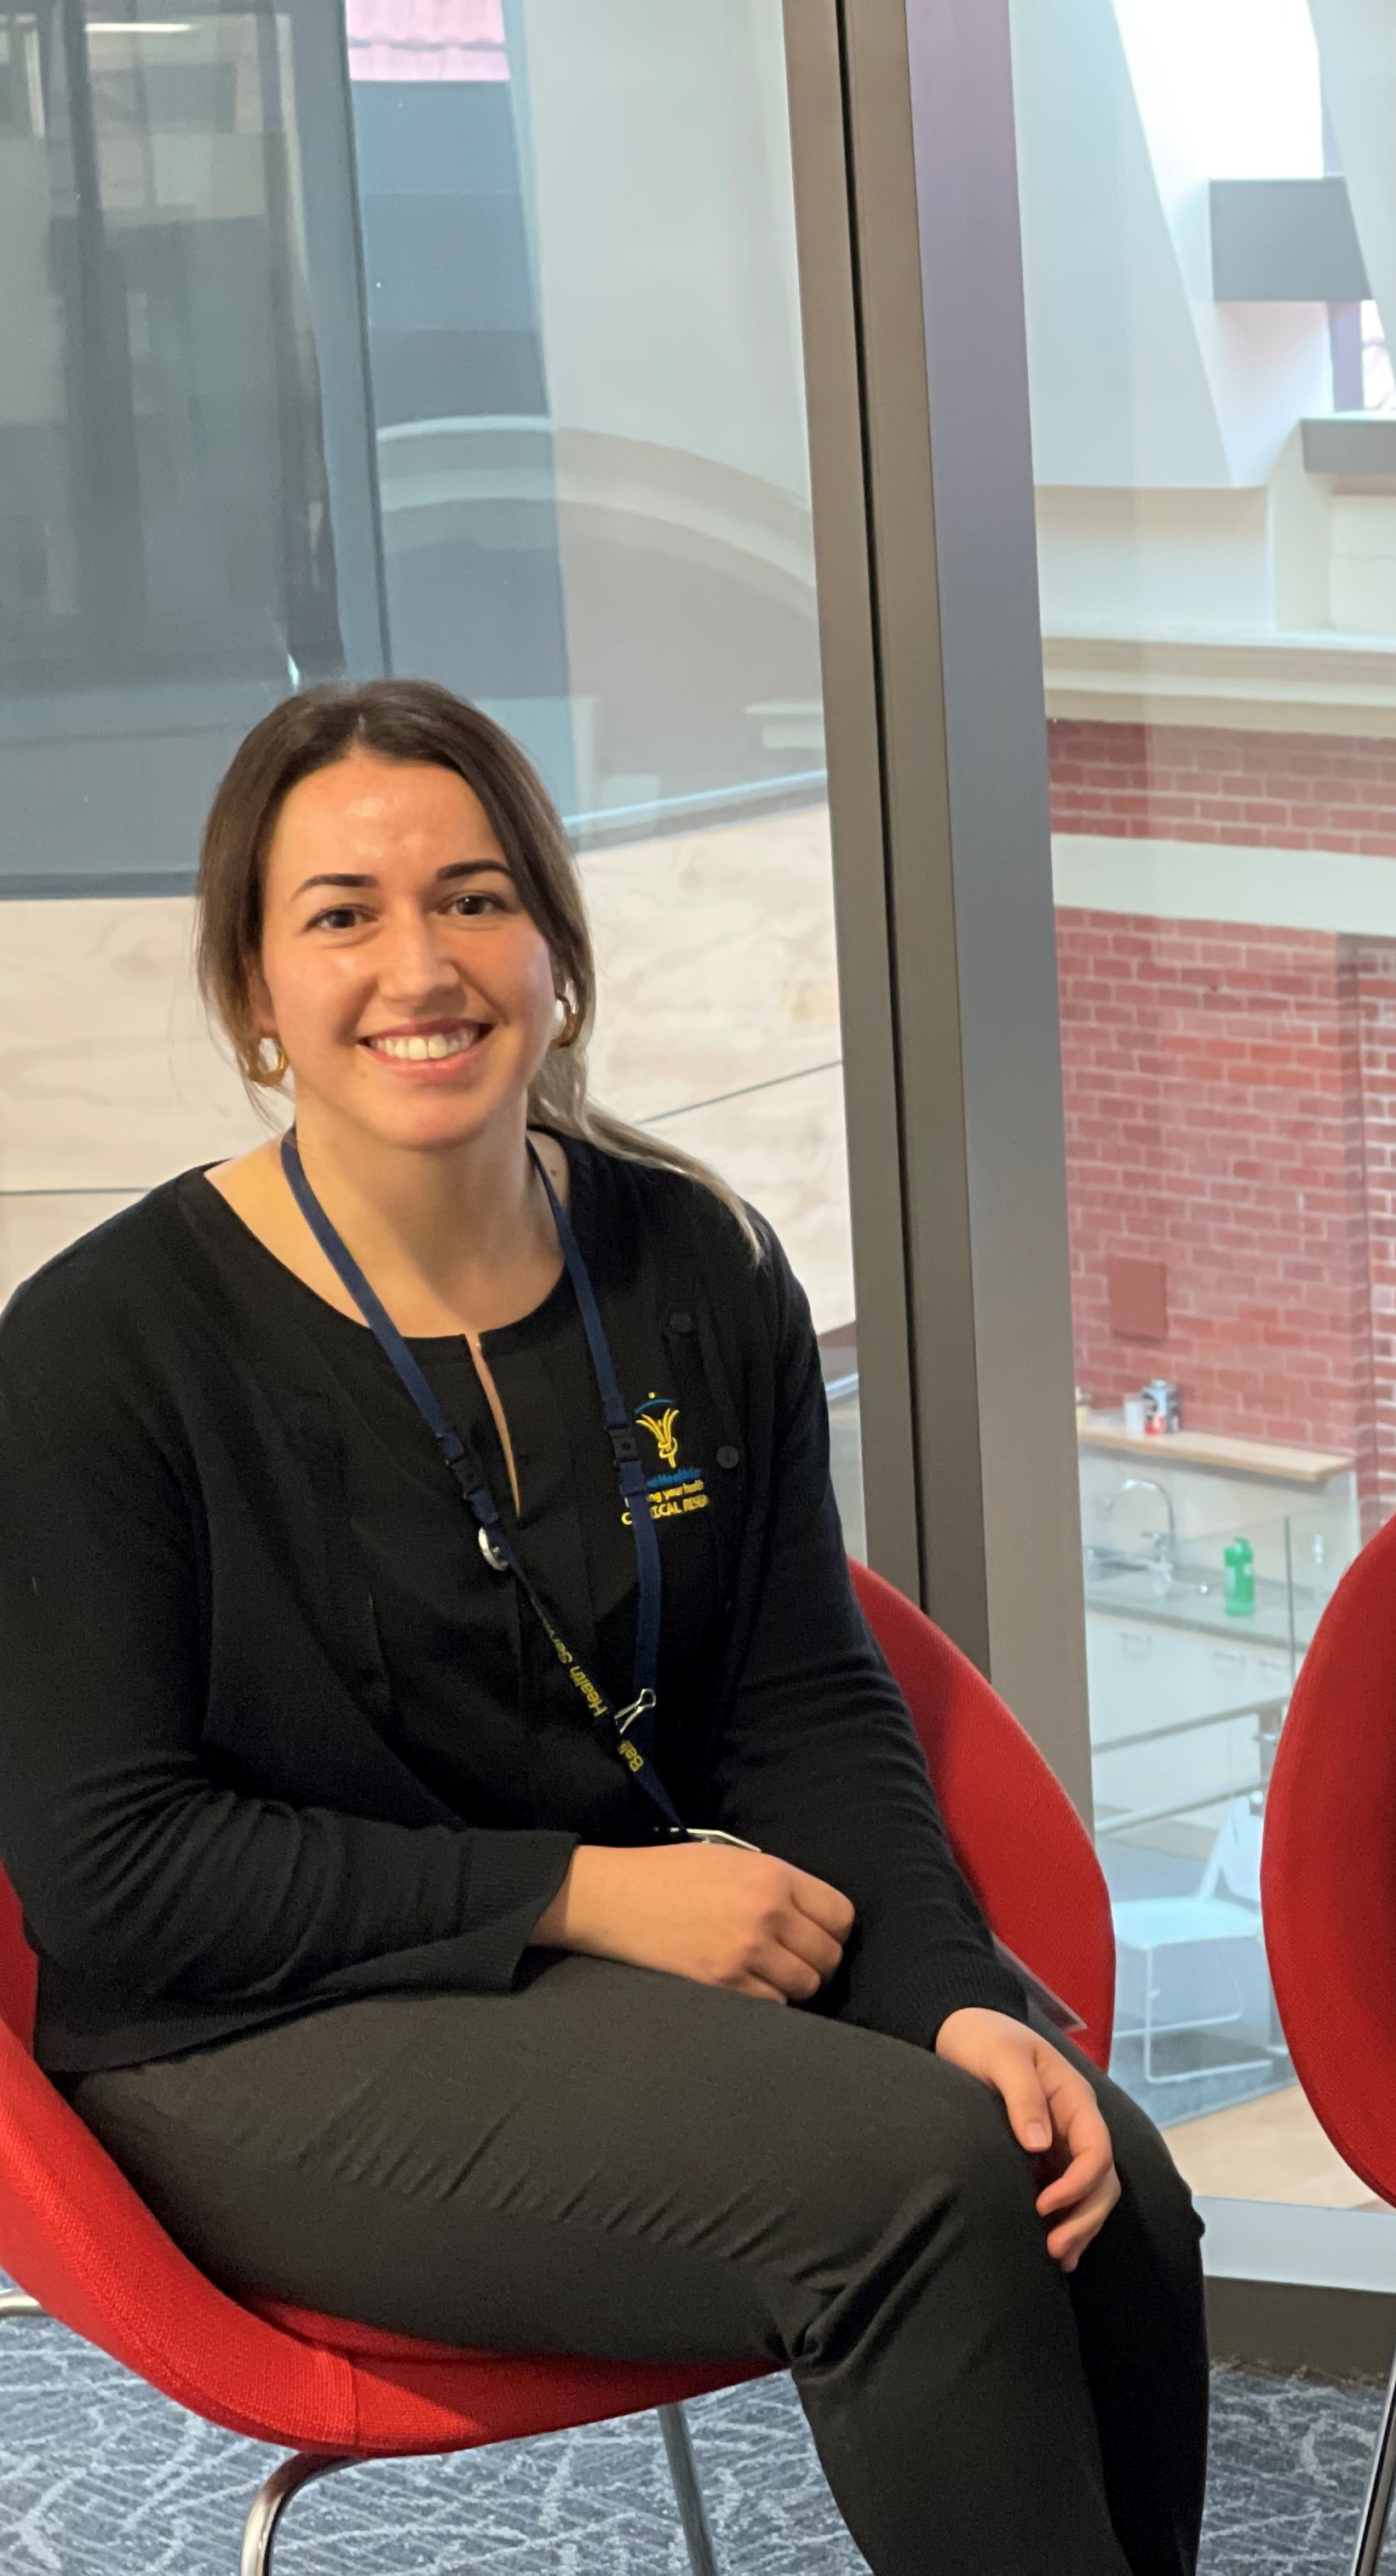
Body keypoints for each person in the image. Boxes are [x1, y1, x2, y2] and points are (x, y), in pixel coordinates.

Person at [0, 682, 1209, 2576]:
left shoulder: (691, 1264)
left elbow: (806, 1707)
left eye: (476, 899)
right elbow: (114, 1877)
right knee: (915, 2187)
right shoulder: (102, 1353)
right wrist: (577, 1893)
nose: (424, 963)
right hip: (256, 2038)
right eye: (342, 913)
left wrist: (952, 1996)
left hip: (615, 1994)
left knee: (1098, 2175)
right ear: (252, 993)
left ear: (556, 950)